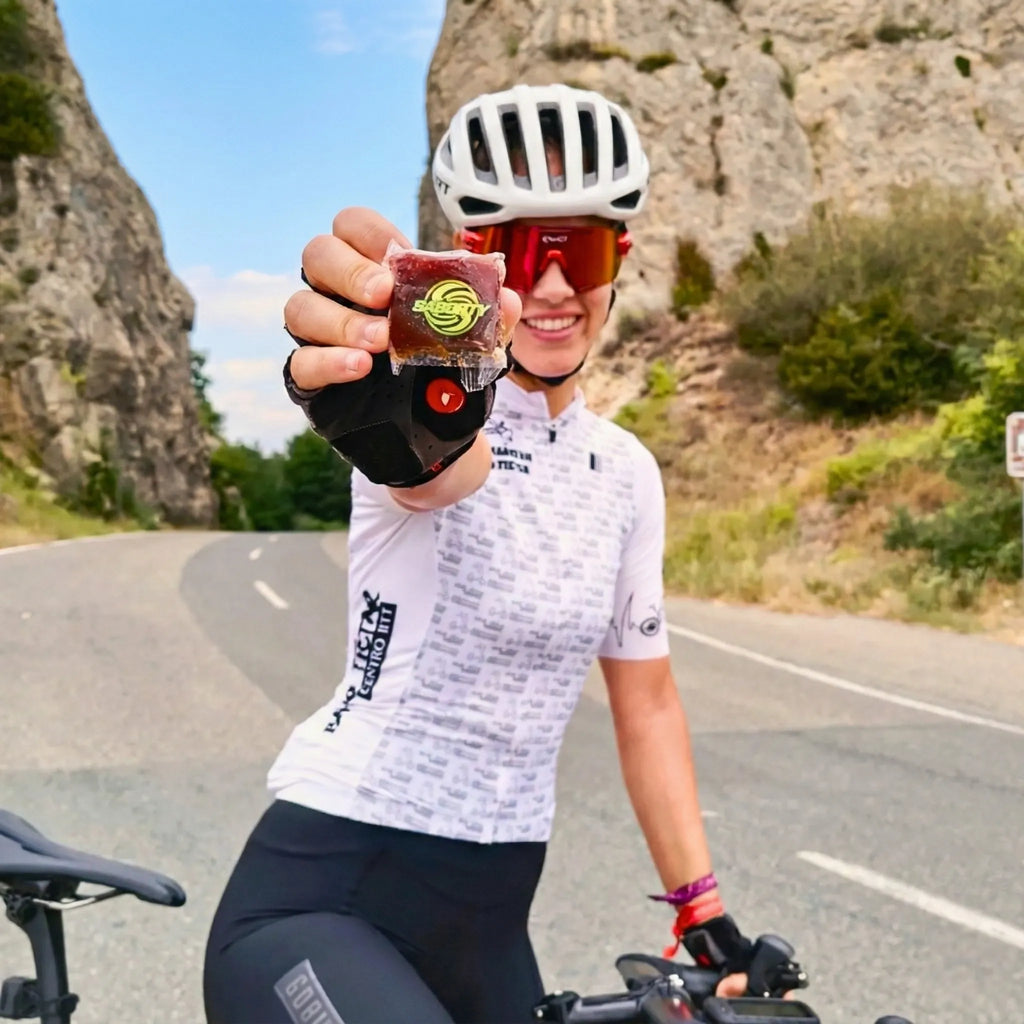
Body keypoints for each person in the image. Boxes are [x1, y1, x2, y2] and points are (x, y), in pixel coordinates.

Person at [203, 83, 778, 1024]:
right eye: (520, 250)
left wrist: (703, 916)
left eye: (579, 247)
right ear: (475, 263)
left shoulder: (625, 472)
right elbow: (437, 469)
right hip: (326, 894)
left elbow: (648, 705)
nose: (552, 287)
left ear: (619, 258)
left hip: (489, 923)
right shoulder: (433, 407)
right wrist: (405, 410)